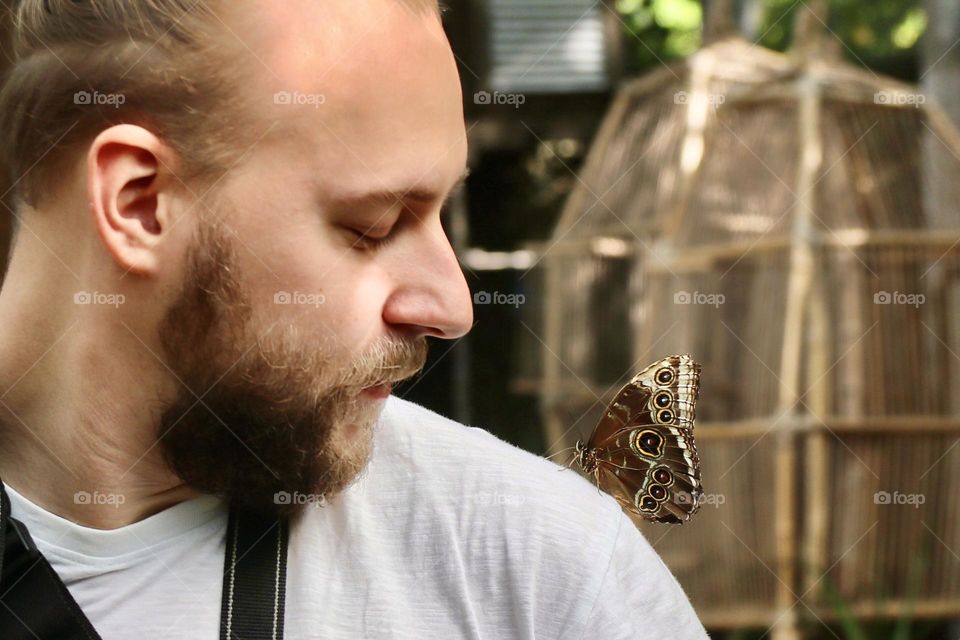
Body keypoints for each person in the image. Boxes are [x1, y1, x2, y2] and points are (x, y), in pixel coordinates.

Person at [0, 0, 709, 637]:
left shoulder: (543, 577)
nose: (453, 309)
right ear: (140, 203)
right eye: (373, 225)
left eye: (439, 213)